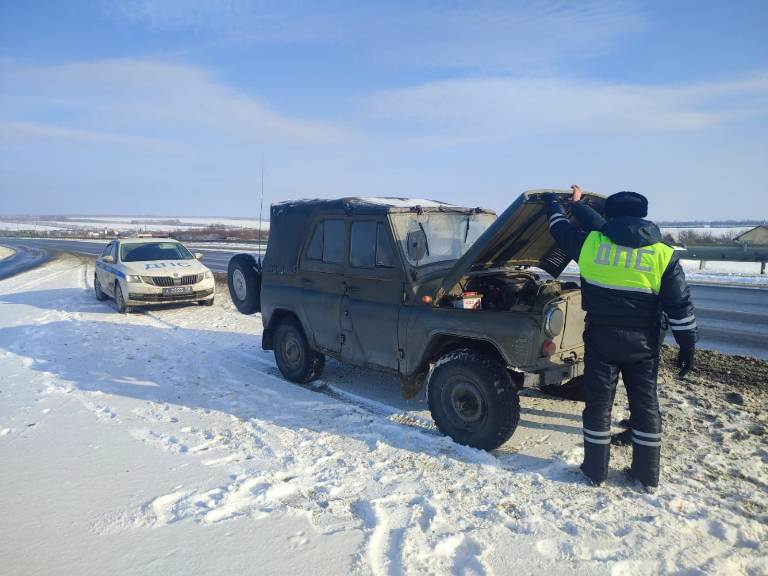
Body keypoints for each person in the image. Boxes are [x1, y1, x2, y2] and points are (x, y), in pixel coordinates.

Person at [544, 185, 697, 488]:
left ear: (609, 216)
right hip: (645, 344)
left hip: (602, 339)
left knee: (599, 405)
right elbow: (679, 304)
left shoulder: (591, 245)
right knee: (645, 405)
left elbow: (559, 230)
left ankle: (595, 471)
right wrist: (687, 343)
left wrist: (555, 206)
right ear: (643, 216)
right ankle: (645, 474)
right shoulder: (662, 254)